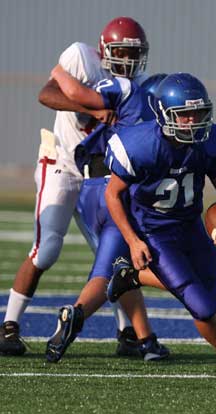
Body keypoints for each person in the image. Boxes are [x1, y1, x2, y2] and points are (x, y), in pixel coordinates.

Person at [0, 16, 154, 357]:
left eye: (134, 53)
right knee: (48, 247)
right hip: (60, 163)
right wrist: (89, 109)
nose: (128, 60)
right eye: (122, 51)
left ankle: (127, 334)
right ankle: (8, 326)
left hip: (96, 174)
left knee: (112, 254)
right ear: (105, 50)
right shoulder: (82, 57)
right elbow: (46, 94)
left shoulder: (136, 85)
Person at [104, 73, 216, 390]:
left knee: (205, 295)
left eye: (199, 112)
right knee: (202, 308)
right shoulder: (141, 145)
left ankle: (132, 277)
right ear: (164, 113)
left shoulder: (210, 142)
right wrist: (133, 240)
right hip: (155, 230)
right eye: (184, 114)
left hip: (191, 227)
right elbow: (112, 194)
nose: (193, 121)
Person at [44, 68, 169, 362]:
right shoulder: (149, 118)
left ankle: (146, 341)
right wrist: (61, 73)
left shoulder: (129, 102)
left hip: (90, 188)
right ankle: (76, 314)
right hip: (114, 192)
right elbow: (78, 94)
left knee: (119, 267)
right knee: (110, 271)